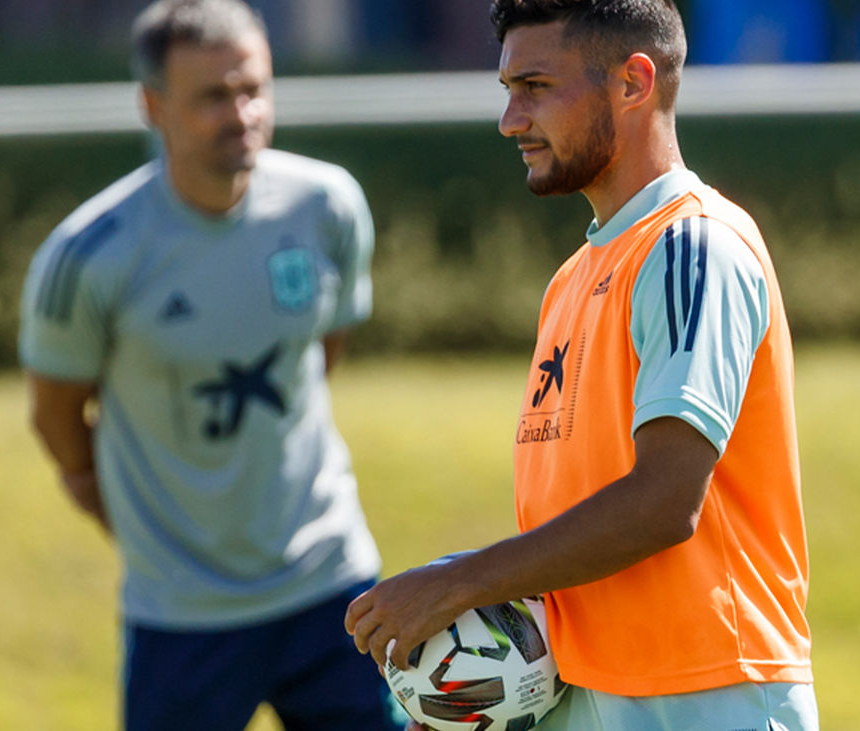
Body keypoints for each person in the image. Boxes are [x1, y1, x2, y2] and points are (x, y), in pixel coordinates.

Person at [345, 1, 817, 729]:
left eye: (534, 87)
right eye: (508, 90)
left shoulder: (693, 247)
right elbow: (576, 541)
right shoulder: (572, 279)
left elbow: (665, 501)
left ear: (633, 83)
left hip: (709, 695)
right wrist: (475, 685)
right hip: (592, 697)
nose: (510, 120)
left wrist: (456, 585)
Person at [18, 1, 403, 729]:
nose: (242, 113)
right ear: (153, 106)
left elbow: (322, 352)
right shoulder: (89, 256)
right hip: (182, 611)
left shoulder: (327, 206)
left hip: (330, 580)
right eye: (213, 97)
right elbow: (56, 417)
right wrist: (133, 519)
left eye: (253, 89)